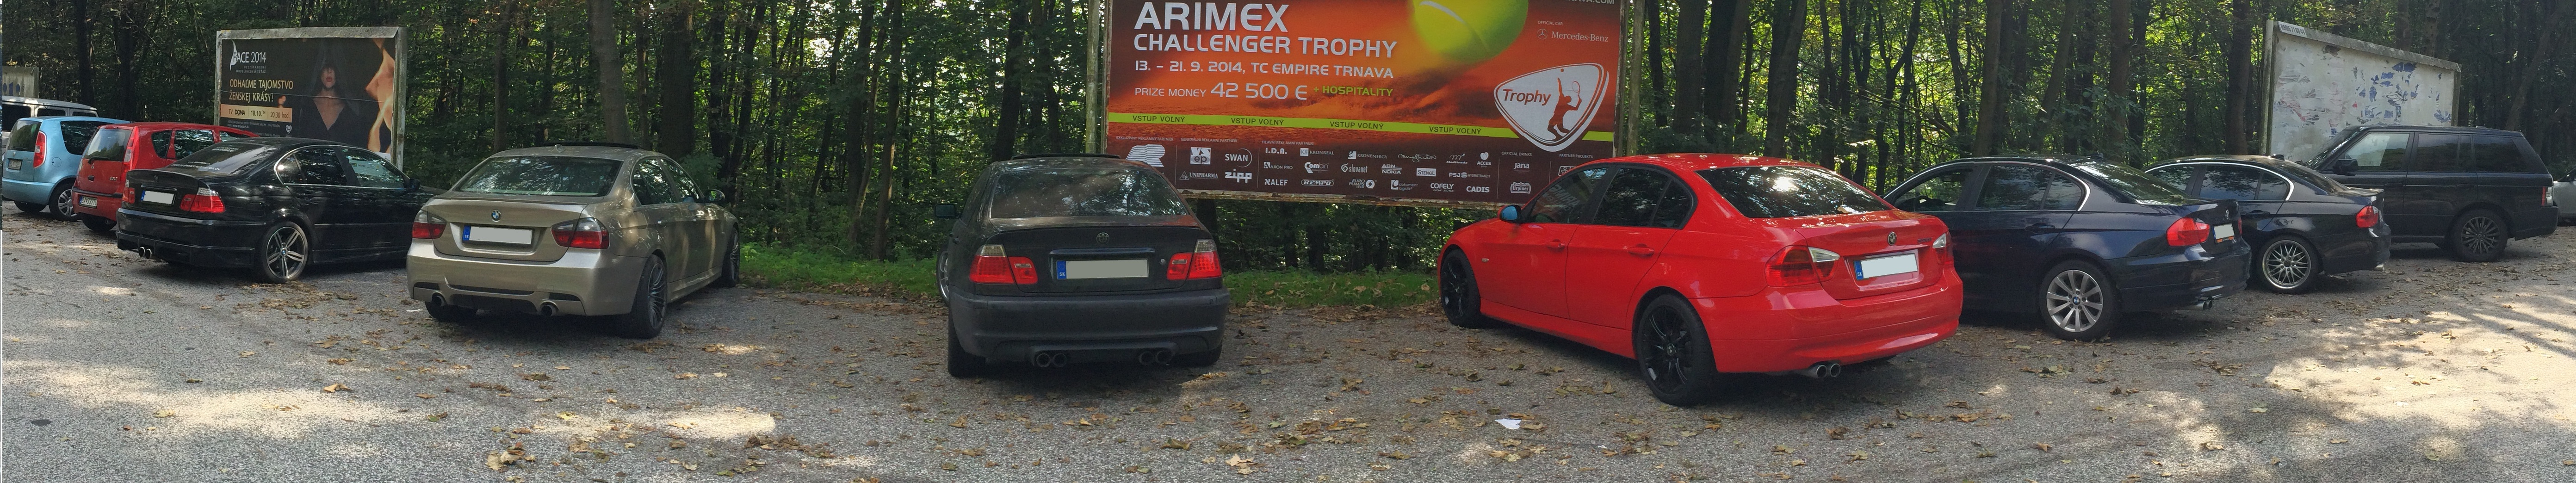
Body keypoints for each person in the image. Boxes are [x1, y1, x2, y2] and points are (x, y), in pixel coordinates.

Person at [285, 45, 380, 149]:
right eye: (325, 66)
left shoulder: (352, 111)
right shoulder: (305, 107)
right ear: (319, 69)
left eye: (333, 67)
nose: (329, 71)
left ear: (339, 70)